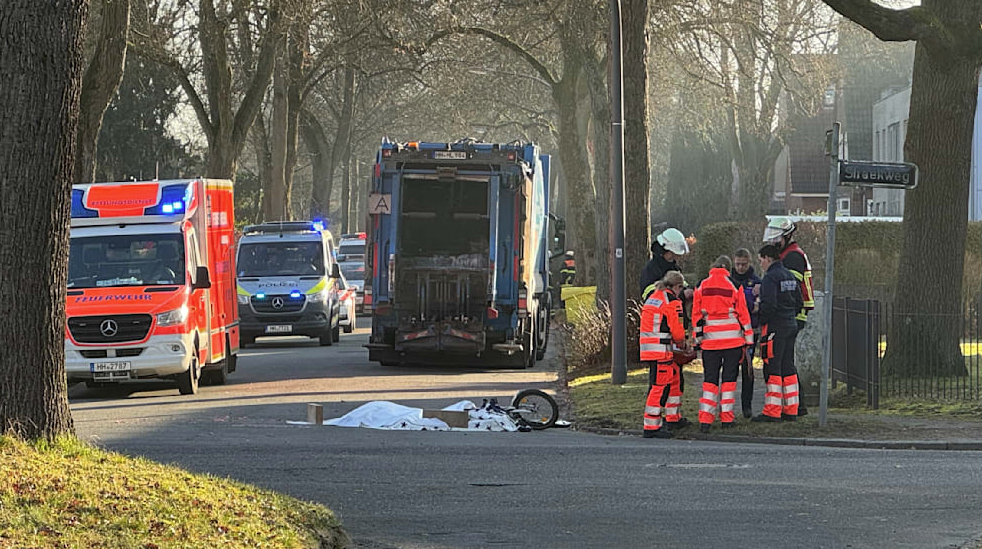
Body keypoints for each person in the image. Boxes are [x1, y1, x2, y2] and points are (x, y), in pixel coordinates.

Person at [692, 256, 754, 432]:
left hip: (710, 344)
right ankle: (727, 418)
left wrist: (698, 340)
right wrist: (749, 341)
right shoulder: (734, 285)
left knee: (710, 381)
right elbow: (743, 315)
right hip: (733, 343)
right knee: (729, 380)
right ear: (728, 268)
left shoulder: (701, 286)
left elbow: (696, 316)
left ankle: (705, 419)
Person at [763, 216, 814, 415]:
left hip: (791, 316)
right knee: (786, 362)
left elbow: (788, 291)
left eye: (776, 238)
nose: (773, 242)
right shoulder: (789, 254)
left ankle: (789, 406)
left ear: (787, 236)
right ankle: (794, 406)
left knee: (780, 362)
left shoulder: (792, 257)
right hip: (792, 316)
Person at [752, 244, 803, 423]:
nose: (761, 265)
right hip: (790, 324)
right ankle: (791, 409)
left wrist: (758, 312)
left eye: (761, 261)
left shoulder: (770, 278)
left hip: (775, 327)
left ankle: (772, 411)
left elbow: (770, 305)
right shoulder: (789, 275)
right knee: (788, 366)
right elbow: (799, 302)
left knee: (773, 367)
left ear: (767, 258)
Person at [640, 271, 690, 438]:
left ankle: (672, 417)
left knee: (670, 381)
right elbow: (677, 331)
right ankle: (652, 426)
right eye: (681, 289)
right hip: (661, 350)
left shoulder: (654, 296)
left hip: (650, 348)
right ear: (677, 286)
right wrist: (683, 345)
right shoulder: (672, 301)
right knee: (659, 387)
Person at [729, 248, 762, 418]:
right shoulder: (729, 280)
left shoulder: (756, 281)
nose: (740, 267)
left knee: (748, 370)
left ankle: (746, 406)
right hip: (731, 332)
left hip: (750, 332)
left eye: (744, 264)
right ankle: (728, 407)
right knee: (731, 368)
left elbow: (760, 307)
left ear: (749, 263)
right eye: (738, 264)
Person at [640, 228, 690, 299]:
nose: (678, 256)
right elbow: (650, 295)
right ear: (667, 251)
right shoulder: (651, 269)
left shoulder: (674, 267)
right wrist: (682, 295)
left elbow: (682, 285)